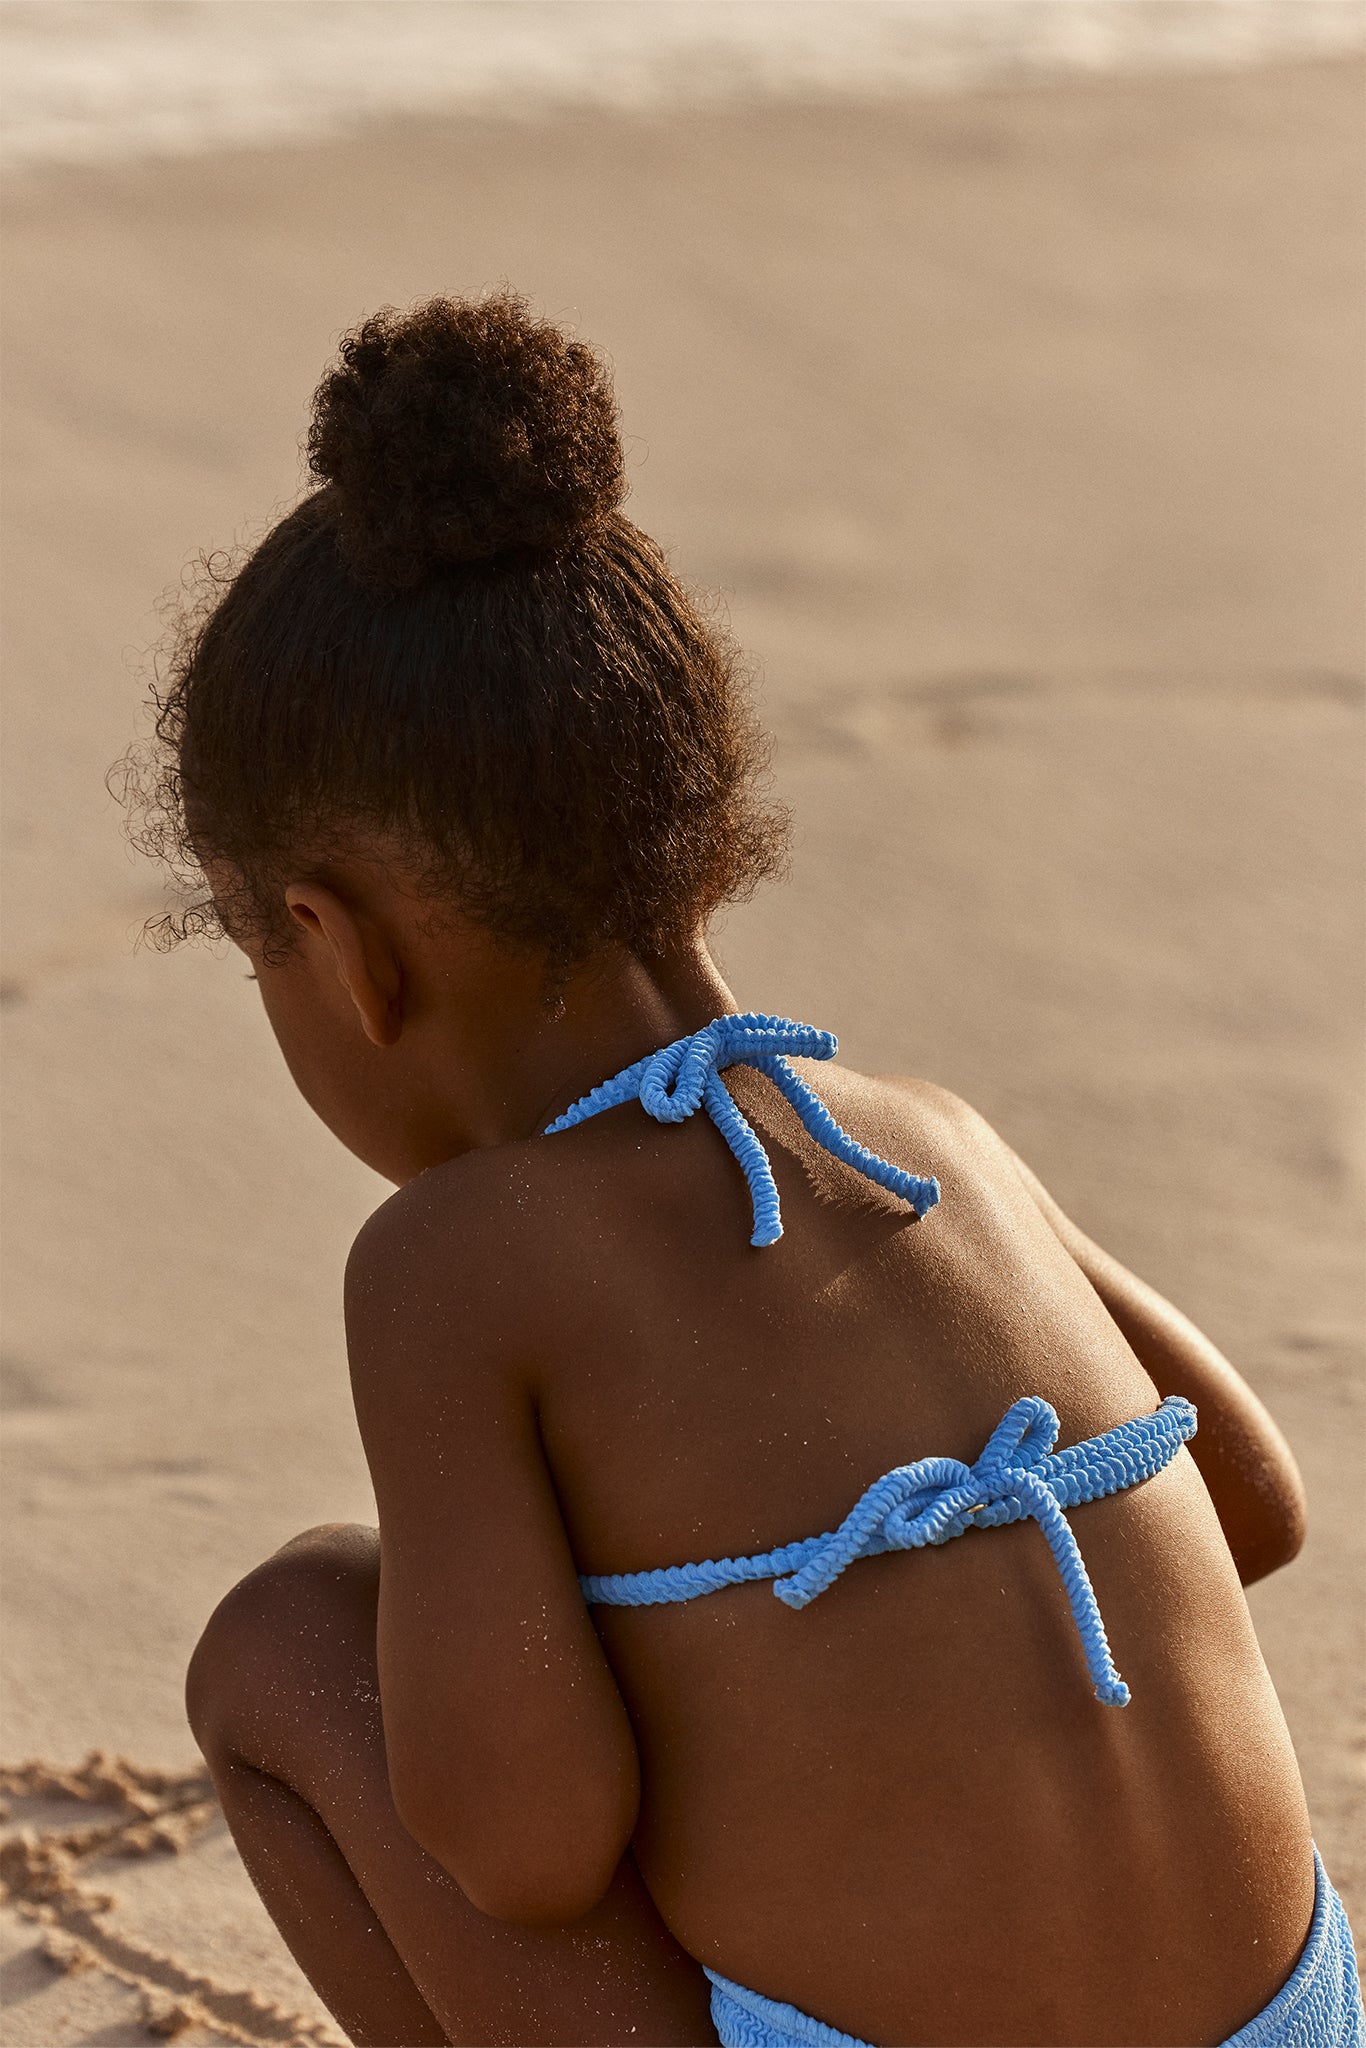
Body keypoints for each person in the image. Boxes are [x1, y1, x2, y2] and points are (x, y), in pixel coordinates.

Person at [137, 293, 1362, 2047]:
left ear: (341, 952)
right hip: (1296, 2022)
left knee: (283, 1646)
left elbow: (525, 1853)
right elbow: (1245, 1501)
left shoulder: (450, 1265)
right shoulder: (928, 1137)